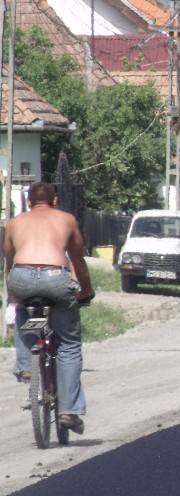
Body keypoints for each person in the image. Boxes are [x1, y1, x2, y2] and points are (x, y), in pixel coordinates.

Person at [2, 182, 92, 434]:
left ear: (28, 202)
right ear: (54, 202)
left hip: (22, 277)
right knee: (69, 343)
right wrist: (85, 290)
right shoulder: (66, 219)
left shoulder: (15, 222)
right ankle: (69, 411)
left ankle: (26, 365)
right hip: (55, 278)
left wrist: (14, 295)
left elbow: (9, 262)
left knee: (24, 314)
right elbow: (78, 260)